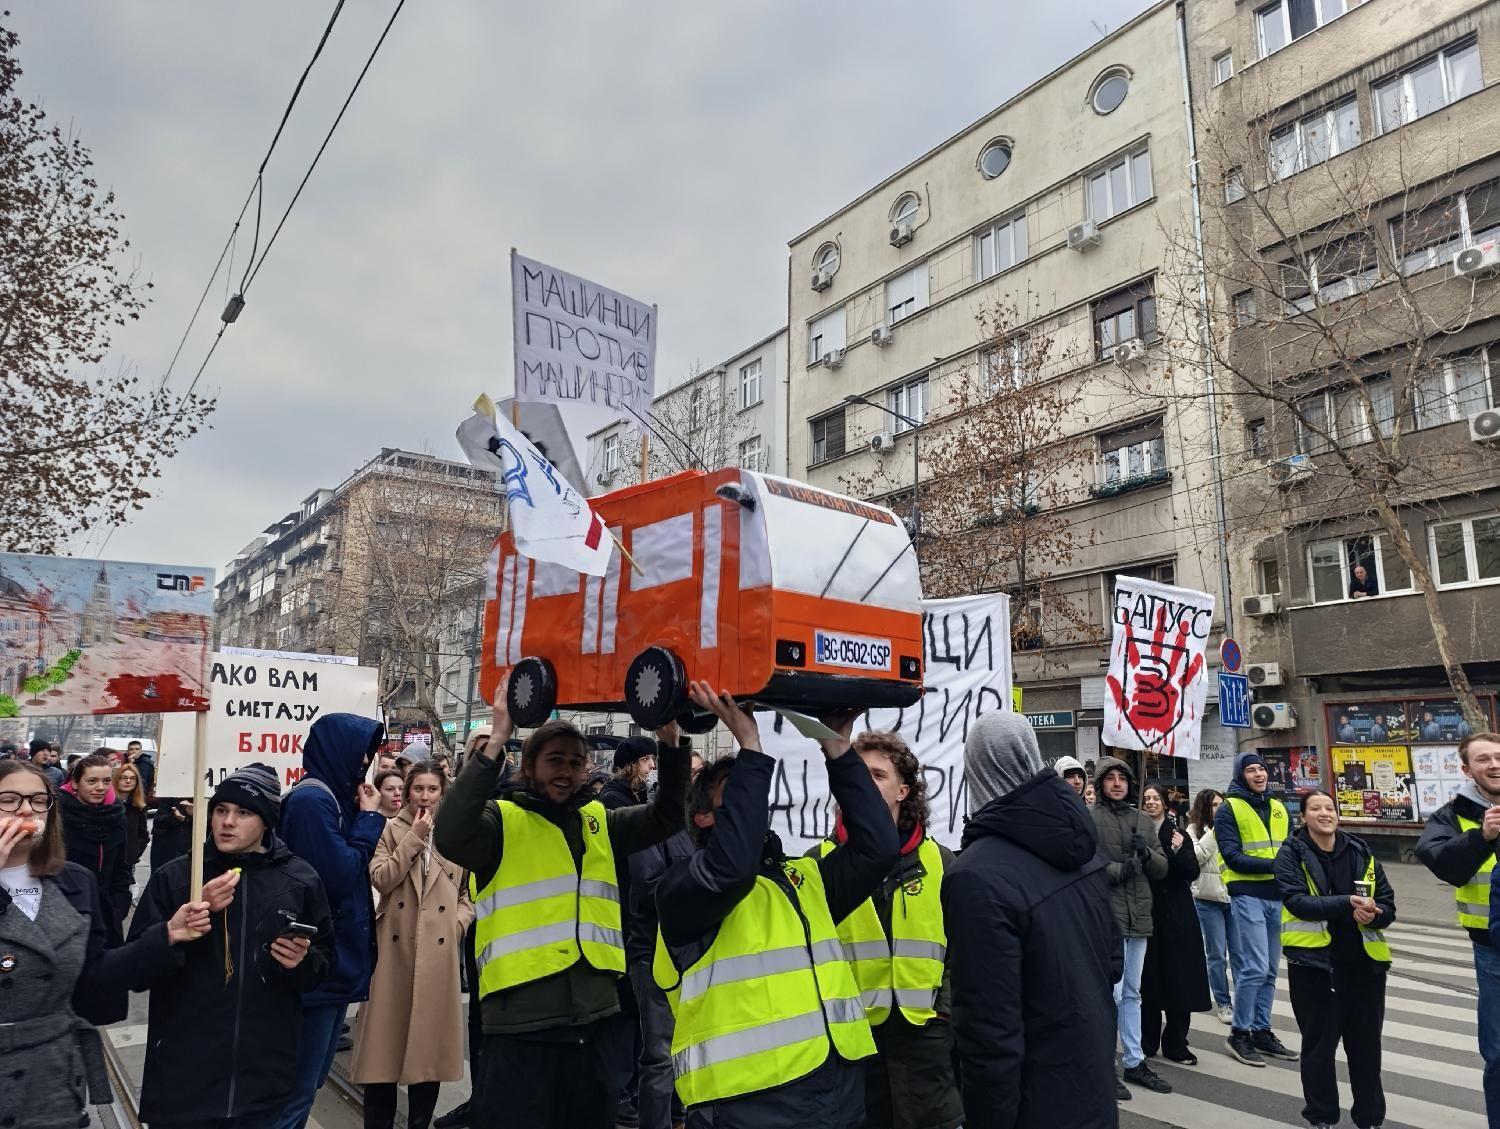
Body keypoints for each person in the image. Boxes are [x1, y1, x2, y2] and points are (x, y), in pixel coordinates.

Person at [432, 678, 690, 1129]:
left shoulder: (599, 822)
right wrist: (495, 739)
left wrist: (672, 744)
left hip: (597, 1022)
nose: (566, 771)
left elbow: (668, 815)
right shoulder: (499, 820)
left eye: (576, 762)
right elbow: (451, 833)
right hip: (521, 1028)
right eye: (555, 760)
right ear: (529, 765)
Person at [653, 683, 897, 1129]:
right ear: (704, 816)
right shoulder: (684, 888)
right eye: (739, 786)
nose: (755, 795)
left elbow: (879, 847)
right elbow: (732, 869)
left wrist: (838, 749)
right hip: (749, 1103)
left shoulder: (802, 878)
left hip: (837, 1086)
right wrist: (750, 747)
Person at [0, 760, 215, 1129]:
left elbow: (95, 976)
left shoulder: (75, 882)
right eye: (8, 799)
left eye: (38, 800)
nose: (25, 809)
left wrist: (167, 934)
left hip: (54, 1082)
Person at [129, 763, 336, 1129]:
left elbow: (322, 966)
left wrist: (301, 962)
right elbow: (135, 970)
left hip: (262, 1083)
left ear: (267, 821)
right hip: (184, 1080)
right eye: (221, 810)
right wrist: (178, 928)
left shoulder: (299, 879)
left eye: (243, 813)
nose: (227, 821)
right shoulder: (179, 877)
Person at [945, 712, 1117, 1128]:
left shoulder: (975, 875)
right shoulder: (1083, 848)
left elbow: (990, 1034)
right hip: (1090, 1084)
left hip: (1033, 1102)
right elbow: (1113, 963)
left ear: (976, 771)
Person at [814, 730, 962, 1129]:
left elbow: (960, 952)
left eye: (877, 775)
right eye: (858, 774)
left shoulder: (942, 861)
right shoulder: (819, 864)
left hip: (925, 1039)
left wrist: (943, 1013)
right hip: (852, 1040)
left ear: (903, 791)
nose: (864, 783)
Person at [275, 713, 388, 1129]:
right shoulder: (313, 801)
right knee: (295, 1090)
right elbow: (337, 876)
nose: (365, 762)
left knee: (311, 1081)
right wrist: (371, 820)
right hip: (319, 965)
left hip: (335, 964)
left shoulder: (334, 799)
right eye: (361, 752)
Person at [352, 765, 474, 1129]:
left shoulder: (456, 835)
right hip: (393, 956)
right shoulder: (390, 830)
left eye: (432, 789)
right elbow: (380, 878)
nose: (424, 796)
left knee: (427, 1057)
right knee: (381, 1057)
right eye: (418, 788)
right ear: (406, 793)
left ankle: (419, 1123)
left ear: (442, 793)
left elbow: (472, 892)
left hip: (437, 956)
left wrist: (457, 925)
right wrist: (414, 838)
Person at [1278, 790, 1395, 1129]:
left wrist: (1375, 914)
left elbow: (1388, 903)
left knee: (1366, 1048)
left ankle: (1370, 1119)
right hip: (1315, 967)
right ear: (1304, 817)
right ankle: (1322, 1117)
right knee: (1319, 1048)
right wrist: (1347, 903)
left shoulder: (1361, 851)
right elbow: (1296, 902)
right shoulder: (1291, 854)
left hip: (1364, 966)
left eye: (1330, 808)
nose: (1324, 814)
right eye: (1316, 809)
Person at [1416, 730, 1500, 1123]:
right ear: (1467, 769)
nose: (1494, 764)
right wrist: (1481, 838)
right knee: (1499, 1053)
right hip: (1492, 949)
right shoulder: (1453, 815)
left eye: (1498, 757)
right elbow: (1441, 863)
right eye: (1483, 759)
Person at [1092, 755, 1171, 1097]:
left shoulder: (1143, 819)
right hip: (1107, 918)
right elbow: (1085, 862)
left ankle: (1135, 1061)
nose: (1117, 783)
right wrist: (1115, 871)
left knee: (1133, 993)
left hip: (1138, 915)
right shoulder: (1090, 818)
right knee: (1110, 992)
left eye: (1122, 778)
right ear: (1101, 783)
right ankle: (1104, 1066)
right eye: (1109, 778)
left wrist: (1148, 854)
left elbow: (1162, 868)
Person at [1216, 751, 1299, 1067]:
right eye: (1251, 770)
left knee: (1268, 969)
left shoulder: (1279, 807)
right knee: (1253, 966)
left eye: (1261, 769)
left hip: (1276, 896)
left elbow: (1290, 849)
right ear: (1241, 776)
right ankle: (1239, 1034)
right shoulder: (1228, 809)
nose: (1259, 774)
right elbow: (1234, 857)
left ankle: (1262, 1030)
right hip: (1247, 894)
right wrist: (1278, 866)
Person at [599, 734, 657, 1128]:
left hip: (634, 921)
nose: (653, 768)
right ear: (632, 764)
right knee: (624, 1014)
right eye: (649, 761)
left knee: (636, 1015)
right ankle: (619, 1091)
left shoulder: (634, 800)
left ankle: (630, 1088)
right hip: (619, 919)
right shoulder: (614, 802)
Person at [625, 815, 694, 1129]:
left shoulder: (702, 829)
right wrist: (706, 882)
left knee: (687, 1050)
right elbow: (650, 885)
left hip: (691, 954)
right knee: (660, 1056)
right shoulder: (651, 826)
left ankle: (679, 1119)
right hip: (653, 956)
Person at [1139, 781, 1209, 1066]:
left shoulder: (1179, 834)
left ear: (1166, 803)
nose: (1151, 802)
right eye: (1146, 798)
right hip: (1147, 913)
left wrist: (1180, 851)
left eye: (1156, 798)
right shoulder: (1136, 832)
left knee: (1180, 980)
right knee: (1148, 982)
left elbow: (1191, 872)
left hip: (1177, 915)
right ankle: (1146, 1041)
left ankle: (1177, 1043)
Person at [58, 751, 133, 931]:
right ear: (75, 783)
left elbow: (121, 867)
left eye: (106, 781)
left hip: (106, 915)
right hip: (65, 917)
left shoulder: (116, 815)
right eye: (92, 781)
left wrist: (118, 907)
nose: (101, 787)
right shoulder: (56, 816)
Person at [1187, 788, 1233, 1024]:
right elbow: (1196, 856)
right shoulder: (1194, 830)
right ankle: (1224, 1002)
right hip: (1207, 899)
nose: (1219, 809)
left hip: (1232, 897)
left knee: (1240, 954)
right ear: (1205, 807)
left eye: (1221, 804)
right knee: (1216, 954)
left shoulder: (1233, 827)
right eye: (1215, 805)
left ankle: (1246, 1002)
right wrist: (1214, 832)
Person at [602, 735, 656, 811]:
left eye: (653, 758)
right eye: (645, 759)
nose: (653, 765)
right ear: (630, 765)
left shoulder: (640, 790)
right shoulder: (612, 798)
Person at [113, 761, 150, 867]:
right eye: (124, 778)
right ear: (117, 780)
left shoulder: (138, 806)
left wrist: (135, 852)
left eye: (132, 778)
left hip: (128, 861)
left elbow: (143, 835)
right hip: (109, 858)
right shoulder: (109, 803)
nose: (128, 781)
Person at [150, 797, 195, 872]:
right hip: (168, 850)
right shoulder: (171, 794)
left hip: (190, 851)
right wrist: (174, 817)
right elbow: (158, 820)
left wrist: (194, 815)